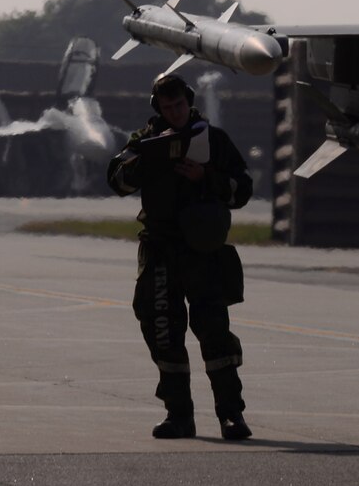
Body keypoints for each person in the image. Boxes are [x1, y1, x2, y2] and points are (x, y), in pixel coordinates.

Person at [107, 72, 255, 441]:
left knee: (214, 332)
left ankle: (231, 415)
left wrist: (205, 177)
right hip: (160, 250)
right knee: (162, 331)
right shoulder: (145, 142)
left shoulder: (213, 140)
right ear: (158, 108)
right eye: (167, 107)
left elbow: (242, 190)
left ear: (189, 103)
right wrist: (148, 162)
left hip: (202, 252)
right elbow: (116, 179)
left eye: (179, 105)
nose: (175, 113)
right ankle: (179, 415)